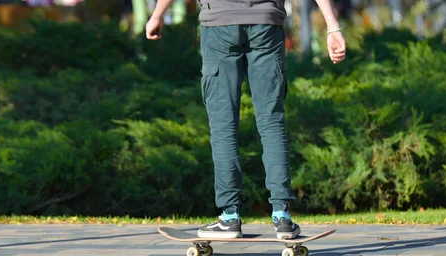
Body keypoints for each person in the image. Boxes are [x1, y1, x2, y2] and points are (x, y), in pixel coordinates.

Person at [146, 0, 346, 239]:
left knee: (223, 126)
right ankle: (282, 215)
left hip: (219, 23)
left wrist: (158, 14)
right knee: (272, 123)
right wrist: (333, 26)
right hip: (266, 24)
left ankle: (229, 217)